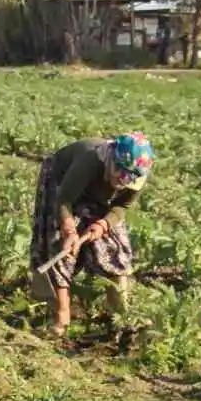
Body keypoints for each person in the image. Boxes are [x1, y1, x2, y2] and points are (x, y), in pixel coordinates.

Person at [30, 132, 153, 335]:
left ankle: (122, 316)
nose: (123, 181)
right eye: (120, 174)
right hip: (63, 184)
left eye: (128, 178)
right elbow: (64, 200)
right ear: (112, 159)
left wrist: (103, 224)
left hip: (100, 195)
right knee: (59, 245)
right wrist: (69, 230)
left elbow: (122, 206)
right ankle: (61, 316)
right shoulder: (90, 160)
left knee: (115, 249)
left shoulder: (138, 172)